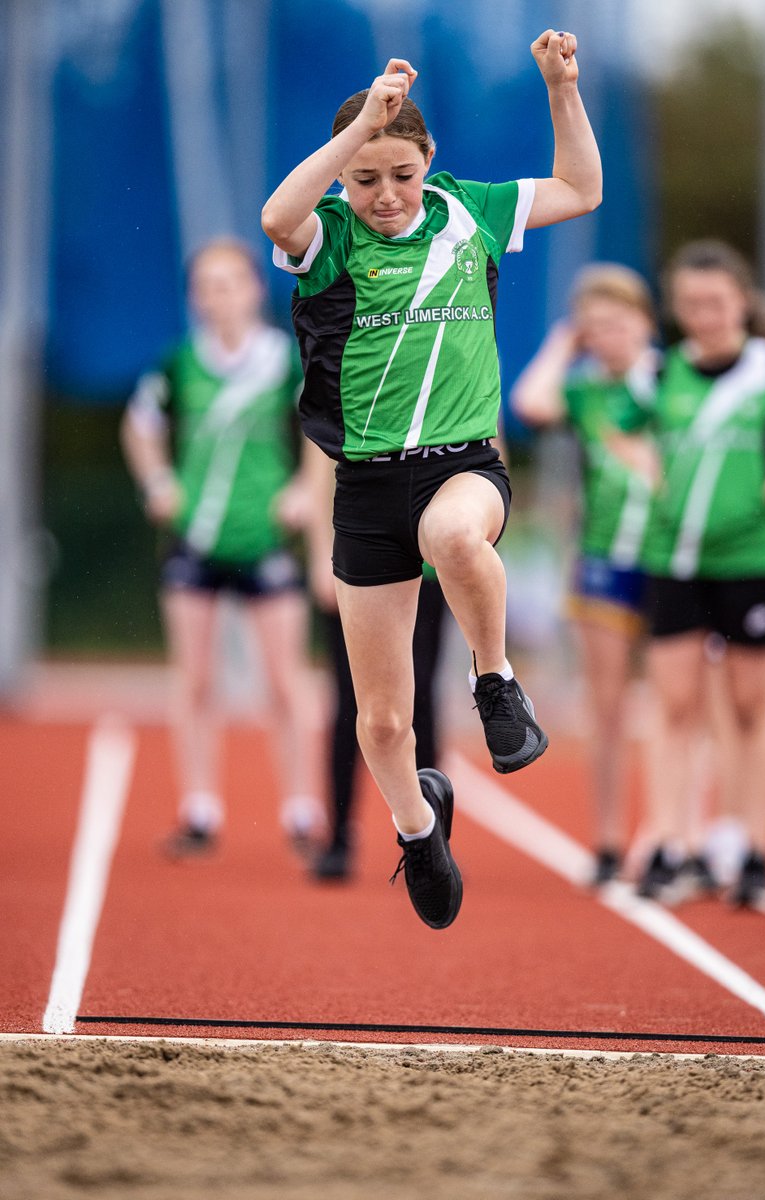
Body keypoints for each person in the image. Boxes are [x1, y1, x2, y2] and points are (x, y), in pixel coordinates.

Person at [260, 31, 601, 929]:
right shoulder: (327, 235)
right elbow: (274, 217)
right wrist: (356, 132)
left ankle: (496, 683)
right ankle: (418, 829)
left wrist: (562, 89)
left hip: (463, 464)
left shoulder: (470, 209)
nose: (385, 195)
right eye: (367, 178)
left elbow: (581, 188)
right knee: (380, 726)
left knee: (454, 539)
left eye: (401, 174)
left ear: (429, 163)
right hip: (366, 487)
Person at [612, 240, 765, 912]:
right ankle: (672, 842)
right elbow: (620, 427)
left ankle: (754, 849)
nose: (705, 315)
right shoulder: (660, 375)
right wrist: (647, 471)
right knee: (674, 705)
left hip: (751, 558)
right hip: (676, 558)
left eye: (717, 303)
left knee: (753, 708)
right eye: (691, 304)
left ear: (742, 303)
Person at [121, 238, 325, 856]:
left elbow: (322, 429)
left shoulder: (283, 361)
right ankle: (200, 810)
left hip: (266, 536)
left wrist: (303, 491)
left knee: (285, 682)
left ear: (255, 290)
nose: (221, 295)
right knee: (195, 679)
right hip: (195, 537)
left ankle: (301, 810)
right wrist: (157, 482)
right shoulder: (179, 362)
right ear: (195, 297)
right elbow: (140, 425)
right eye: (208, 285)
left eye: (231, 282)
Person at [512, 265, 657, 885]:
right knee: (608, 706)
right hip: (602, 558)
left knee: (688, 705)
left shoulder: (672, 382)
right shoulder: (586, 388)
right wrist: (564, 343)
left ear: (645, 325)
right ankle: (608, 838)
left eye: (618, 324)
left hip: (676, 557)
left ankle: (673, 835)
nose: (607, 337)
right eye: (594, 327)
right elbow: (529, 404)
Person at [300, 436, 449, 881]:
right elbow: (318, 462)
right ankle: (340, 835)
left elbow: (489, 459)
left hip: (429, 567)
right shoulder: (351, 365)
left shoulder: (466, 366)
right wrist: (319, 554)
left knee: (422, 696)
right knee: (351, 703)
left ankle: (431, 839)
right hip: (358, 563)